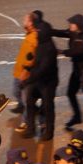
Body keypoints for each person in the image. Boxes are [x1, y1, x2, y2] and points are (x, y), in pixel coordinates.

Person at [53, 14, 83, 130]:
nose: (69, 25)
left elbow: (80, 51)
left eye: (72, 23)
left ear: (78, 25)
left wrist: (62, 51)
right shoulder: (73, 32)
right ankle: (77, 116)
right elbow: (62, 33)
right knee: (70, 92)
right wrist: (48, 31)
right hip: (76, 69)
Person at [21, 10, 58, 140]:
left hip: (47, 82)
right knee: (30, 103)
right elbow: (31, 59)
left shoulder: (49, 49)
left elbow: (44, 68)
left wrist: (28, 79)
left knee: (48, 107)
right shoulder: (39, 43)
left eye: (37, 31)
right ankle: (31, 128)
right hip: (36, 80)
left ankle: (49, 131)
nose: (35, 32)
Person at [10, 11, 39, 118]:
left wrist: (25, 72)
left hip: (24, 73)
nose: (23, 22)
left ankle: (28, 122)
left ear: (31, 23)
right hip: (19, 72)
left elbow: (31, 58)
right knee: (16, 92)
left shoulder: (34, 38)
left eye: (25, 20)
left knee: (26, 98)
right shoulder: (29, 34)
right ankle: (23, 106)